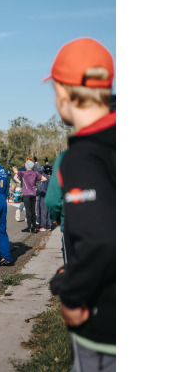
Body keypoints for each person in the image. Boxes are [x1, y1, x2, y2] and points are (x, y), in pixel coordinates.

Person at [44, 37, 116, 371]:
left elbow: (101, 238)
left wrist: (72, 292)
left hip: (105, 325)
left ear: (63, 91)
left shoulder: (81, 157)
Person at [12, 160, 46, 233]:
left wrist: (19, 180)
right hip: (33, 194)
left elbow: (15, 174)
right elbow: (44, 178)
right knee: (33, 210)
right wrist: (37, 181)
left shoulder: (24, 173)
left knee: (28, 211)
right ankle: (34, 227)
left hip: (26, 194)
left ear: (26, 166)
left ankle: (29, 227)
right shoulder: (35, 173)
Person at [36, 164, 53, 231]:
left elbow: (41, 189)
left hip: (44, 196)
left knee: (43, 211)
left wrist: (36, 193)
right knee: (49, 211)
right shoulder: (53, 177)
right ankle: (49, 226)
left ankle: (43, 226)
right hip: (51, 196)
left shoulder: (44, 178)